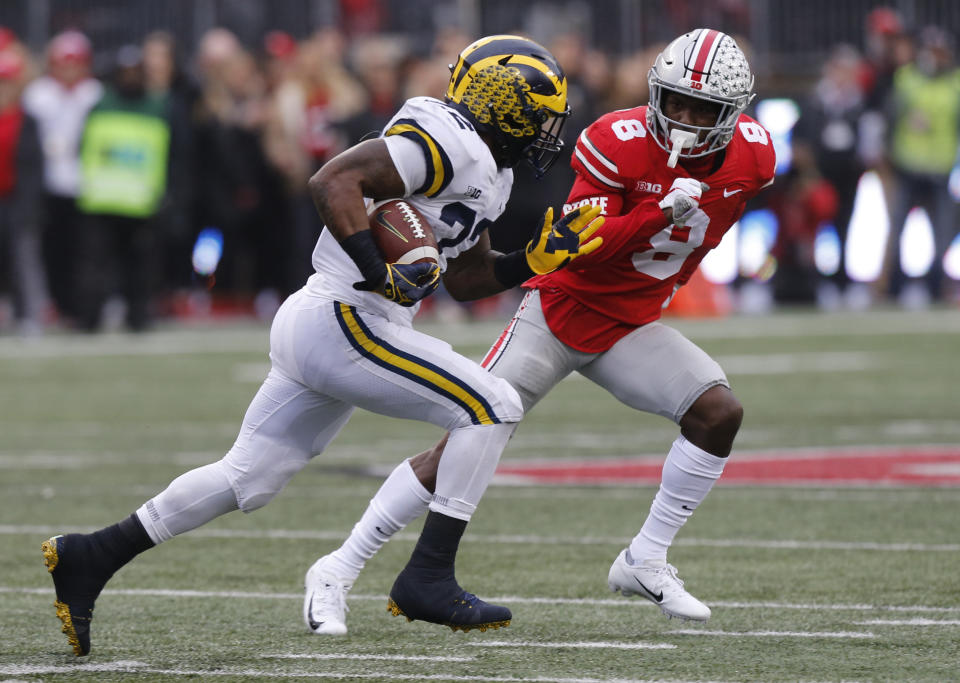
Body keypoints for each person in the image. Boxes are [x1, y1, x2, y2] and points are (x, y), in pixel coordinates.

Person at [41, 34, 603, 656]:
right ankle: (428, 575)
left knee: (247, 480)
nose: (546, 130)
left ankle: (90, 555)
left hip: (341, 321)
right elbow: (335, 180)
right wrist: (376, 266)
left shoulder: (489, 169)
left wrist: (531, 261)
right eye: (538, 113)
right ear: (504, 104)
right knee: (493, 404)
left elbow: (467, 277)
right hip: (346, 313)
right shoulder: (448, 138)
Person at [303, 28, 776, 636]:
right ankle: (338, 567)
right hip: (559, 312)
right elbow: (581, 248)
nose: (682, 118)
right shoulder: (616, 141)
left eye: (700, 109)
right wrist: (658, 212)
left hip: (631, 325)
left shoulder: (755, 158)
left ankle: (645, 559)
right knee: (465, 438)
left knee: (718, 414)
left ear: (732, 116)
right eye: (674, 101)